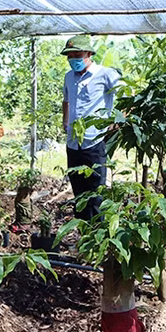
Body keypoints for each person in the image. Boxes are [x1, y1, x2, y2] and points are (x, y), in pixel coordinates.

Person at [61, 34, 122, 220]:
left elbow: (126, 95)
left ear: (88, 53)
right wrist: (65, 122)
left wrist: (117, 120)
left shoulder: (105, 74)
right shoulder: (69, 77)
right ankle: (83, 232)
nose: (73, 59)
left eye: (77, 55)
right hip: (73, 143)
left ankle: (97, 231)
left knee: (96, 193)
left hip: (95, 141)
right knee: (78, 192)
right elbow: (66, 100)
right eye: (70, 56)